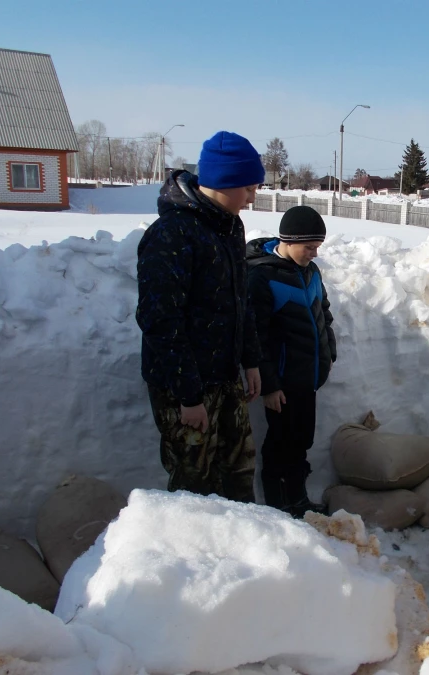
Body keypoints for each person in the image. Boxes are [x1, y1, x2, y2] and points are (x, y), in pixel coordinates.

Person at [136, 131, 264, 502]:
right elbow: (160, 320)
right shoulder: (172, 235)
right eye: (249, 188)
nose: (253, 198)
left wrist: (251, 360)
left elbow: (242, 300)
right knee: (194, 483)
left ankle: (247, 551)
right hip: (185, 387)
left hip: (225, 377)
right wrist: (188, 396)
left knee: (239, 470)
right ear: (225, 182)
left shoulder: (230, 227)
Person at [246, 206, 336, 517]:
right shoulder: (262, 275)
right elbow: (256, 335)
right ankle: (276, 507)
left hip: (307, 378)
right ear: (288, 240)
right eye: (308, 247)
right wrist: (269, 386)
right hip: (282, 382)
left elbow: (323, 314)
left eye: (317, 248)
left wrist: (329, 353)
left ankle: (298, 500)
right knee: (280, 443)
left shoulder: (311, 272)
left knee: (301, 441)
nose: (313, 253)